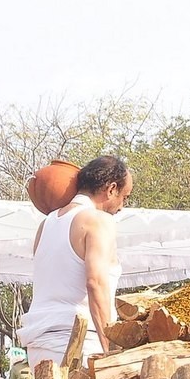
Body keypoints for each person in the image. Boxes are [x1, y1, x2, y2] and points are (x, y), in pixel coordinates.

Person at [17, 155, 132, 367]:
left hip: (38, 344)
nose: (121, 206)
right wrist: (110, 349)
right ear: (111, 189)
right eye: (124, 197)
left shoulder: (46, 224)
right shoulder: (99, 220)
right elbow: (95, 283)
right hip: (79, 342)